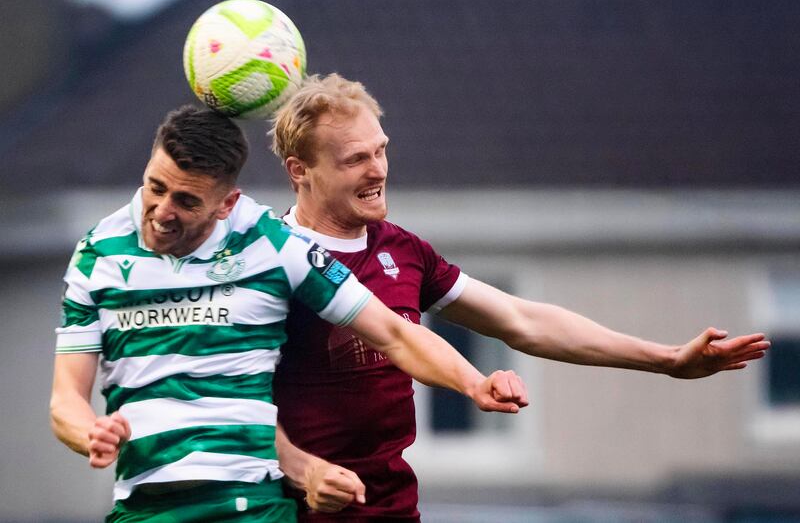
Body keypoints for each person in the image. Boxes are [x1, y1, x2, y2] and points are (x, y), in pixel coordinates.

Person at [268, 73, 771, 522]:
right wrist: (304, 469)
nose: (378, 170)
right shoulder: (264, 261)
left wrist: (666, 359)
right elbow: (221, 399)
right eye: (356, 159)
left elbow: (521, 319)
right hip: (286, 509)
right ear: (299, 171)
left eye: (381, 150)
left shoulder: (402, 250)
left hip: (388, 507)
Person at [48, 105, 528, 522]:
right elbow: (65, 399)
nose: (161, 211)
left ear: (226, 204)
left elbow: (392, 333)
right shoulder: (97, 253)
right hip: (144, 506)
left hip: (252, 504)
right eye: (155, 187)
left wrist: (472, 383)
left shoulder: (273, 244)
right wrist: (91, 431)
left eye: (187, 201)